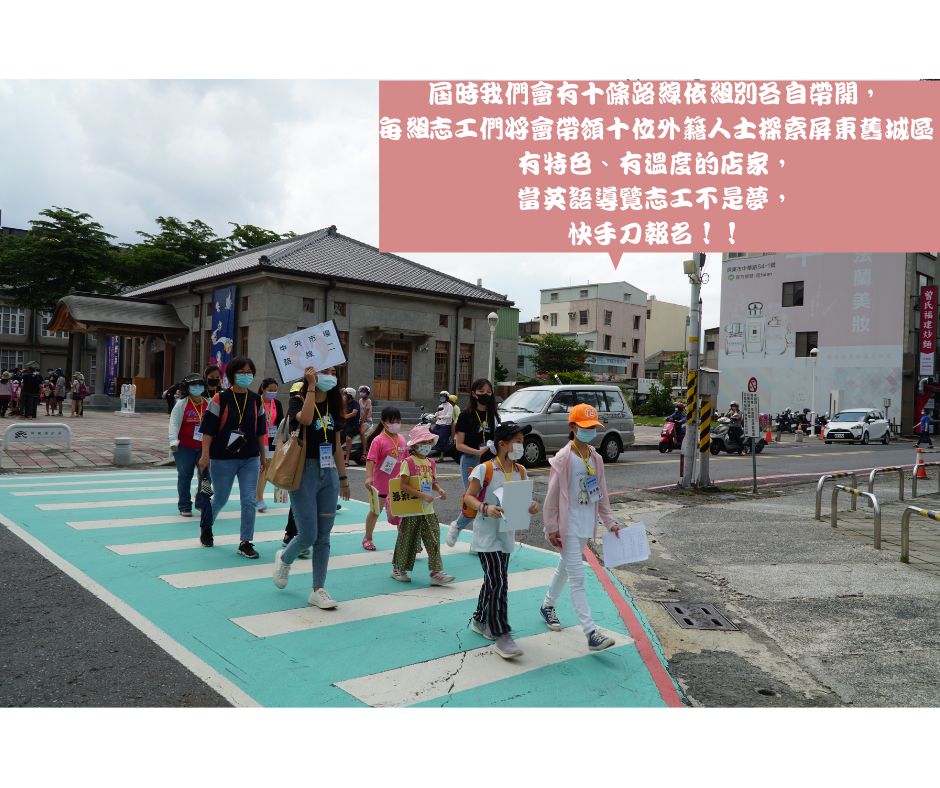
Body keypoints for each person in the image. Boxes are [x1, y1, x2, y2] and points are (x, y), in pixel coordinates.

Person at [540, 404, 620, 652]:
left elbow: (601, 493)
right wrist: (551, 527)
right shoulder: (564, 458)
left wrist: (609, 522)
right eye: (585, 426)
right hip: (568, 527)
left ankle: (547, 606)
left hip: (586, 526)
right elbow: (552, 496)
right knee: (577, 578)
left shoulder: (595, 458)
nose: (590, 430)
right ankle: (591, 632)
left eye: (593, 426)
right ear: (573, 427)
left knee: (565, 568)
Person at [271, 365, 351, 609]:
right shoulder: (298, 400)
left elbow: (336, 445)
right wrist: (312, 387)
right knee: (307, 535)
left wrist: (343, 479)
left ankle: (318, 589)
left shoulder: (335, 404)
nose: (331, 377)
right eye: (325, 371)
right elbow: (306, 420)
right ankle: (285, 558)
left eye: (334, 373)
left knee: (323, 537)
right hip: (303, 471)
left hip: (328, 474)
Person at [463, 421, 540, 659]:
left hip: (506, 535)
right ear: (502, 444)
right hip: (486, 536)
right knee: (499, 581)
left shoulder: (521, 471)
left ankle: (479, 619)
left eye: (522, 441)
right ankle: (501, 632)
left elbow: (523, 501)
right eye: (517, 441)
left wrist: (532, 506)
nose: (521, 446)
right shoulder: (484, 469)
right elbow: (469, 497)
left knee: (492, 580)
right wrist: (485, 508)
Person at [197, 356, 267, 558]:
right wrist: (205, 456)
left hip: (250, 457)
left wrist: (263, 456)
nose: (246, 376)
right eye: (241, 372)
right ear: (231, 375)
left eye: (249, 372)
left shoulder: (256, 400)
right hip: (222, 457)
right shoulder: (220, 399)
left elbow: (260, 431)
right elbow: (208, 430)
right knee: (220, 498)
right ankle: (206, 525)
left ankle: (246, 542)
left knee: (249, 500)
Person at [390, 424, 455, 585]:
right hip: (411, 509)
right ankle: (398, 568)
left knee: (434, 540)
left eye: (428, 442)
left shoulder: (431, 463)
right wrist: (422, 495)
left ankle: (436, 572)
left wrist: (439, 489)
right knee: (407, 541)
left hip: (427, 509)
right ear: (414, 445)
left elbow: (431, 482)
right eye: (423, 443)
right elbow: (403, 485)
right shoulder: (408, 462)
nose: (426, 445)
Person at [446, 378, 500, 549]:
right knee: (473, 499)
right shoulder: (465, 415)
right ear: (474, 394)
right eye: (481, 391)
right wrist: (478, 452)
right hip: (470, 460)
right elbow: (459, 445)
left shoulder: (493, 415)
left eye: (489, 392)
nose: (485, 395)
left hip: (489, 461)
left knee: (487, 500)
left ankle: (478, 543)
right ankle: (457, 526)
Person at [363, 407, 406, 551]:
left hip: (398, 485)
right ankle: (367, 538)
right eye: (392, 422)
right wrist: (369, 477)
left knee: (402, 514)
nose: (395, 425)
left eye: (398, 421)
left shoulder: (402, 439)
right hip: (381, 485)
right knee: (375, 511)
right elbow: (370, 460)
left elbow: (407, 461)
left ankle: (405, 542)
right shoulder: (378, 440)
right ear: (383, 423)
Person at [169, 374, 211, 517]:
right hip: (184, 447)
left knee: (206, 475)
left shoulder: (209, 403)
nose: (197, 387)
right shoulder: (181, 404)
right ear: (187, 387)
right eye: (193, 385)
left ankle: (202, 502)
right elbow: (174, 423)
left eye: (200, 384)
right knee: (185, 476)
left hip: (204, 447)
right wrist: (173, 441)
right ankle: (184, 506)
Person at [255, 377, 284, 512]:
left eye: (275, 390)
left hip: (272, 441)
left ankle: (257, 496)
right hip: (259, 440)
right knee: (261, 470)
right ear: (263, 389)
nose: (273, 393)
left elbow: (280, 423)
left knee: (267, 472)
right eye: (270, 390)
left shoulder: (276, 403)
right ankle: (259, 499)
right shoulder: (256, 401)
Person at [429, 390, 454, 456]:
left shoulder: (450, 406)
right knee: (431, 436)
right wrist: (433, 416)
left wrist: (440, 417)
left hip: (445, 425)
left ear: (447, 398)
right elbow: (437, 413)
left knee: (442, 440)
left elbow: (449, 415)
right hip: (438, 424)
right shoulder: (440, 405)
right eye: (441, 397)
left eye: (443, 397)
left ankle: (441, 457)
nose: (442, 398)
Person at [341, 387, 360, 466]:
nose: (344, 396)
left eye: (346, 394)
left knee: (348, 438)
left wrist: (344, 416)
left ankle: (347, 460)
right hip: (344, 425)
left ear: (350, 395)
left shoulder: (356, 404)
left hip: (353, 426)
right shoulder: (344, 404)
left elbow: (354, 413)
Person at [358, 385, 373, 452]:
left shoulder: (368, 401)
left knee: (362, 432)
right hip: (360, 420)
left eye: (364, 392)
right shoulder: (360, 400)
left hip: (367, 421)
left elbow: (365, 414)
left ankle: (364, 451)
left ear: (367, 393)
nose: (362, 393)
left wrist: (361, 424)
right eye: (361, 392)